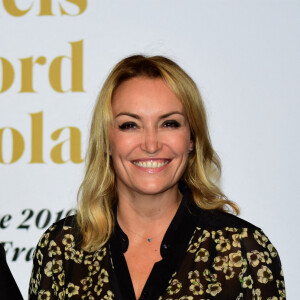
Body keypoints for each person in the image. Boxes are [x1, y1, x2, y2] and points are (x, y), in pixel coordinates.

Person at [28, 55, 286, 300]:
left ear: (192, 139)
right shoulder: (62, 247)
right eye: (130, 125)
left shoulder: (242, 251)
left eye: (169, 123)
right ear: (106, 141)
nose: (151, 144)